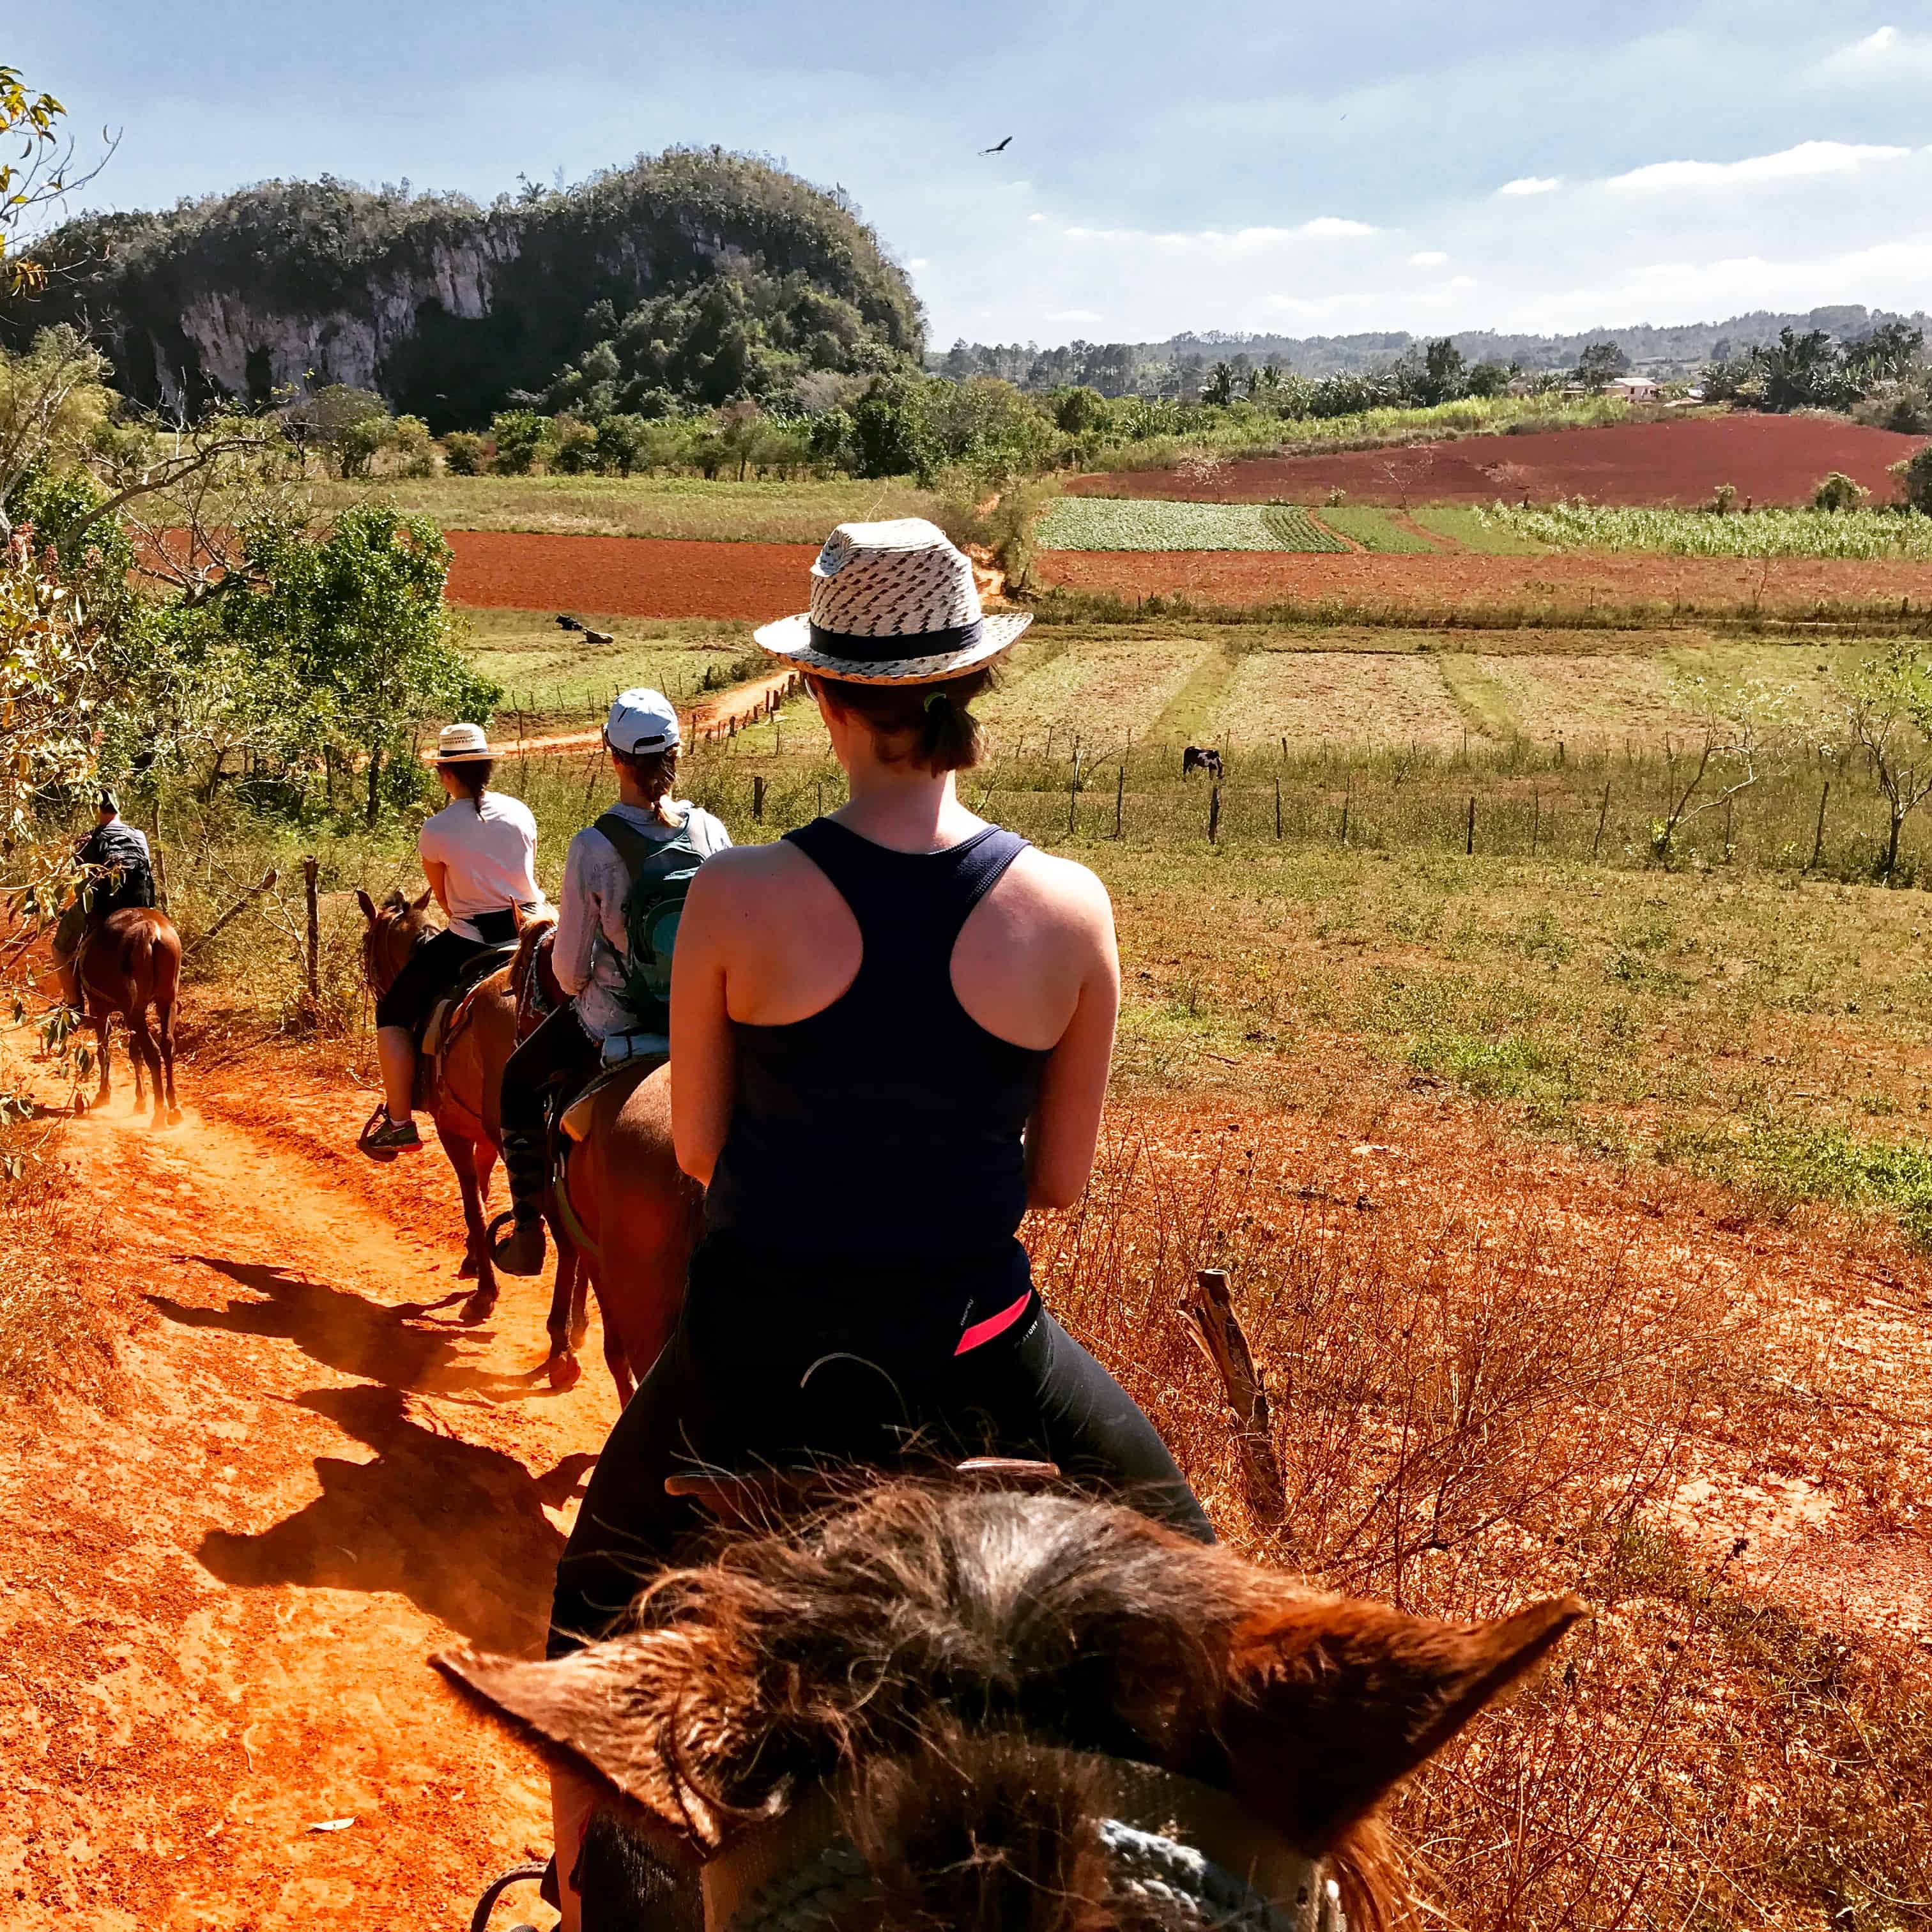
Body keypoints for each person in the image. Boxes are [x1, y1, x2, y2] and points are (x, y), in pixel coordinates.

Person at [544, 519, 1209, 1926]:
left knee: (584, 1618)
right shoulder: (1070, 909)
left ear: (827, 698)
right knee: (1214, 1607)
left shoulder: (739, 894)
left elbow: (708, 1150)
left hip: (753, 1360)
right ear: (968, 693)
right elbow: (1060, 1184)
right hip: (981, 1352)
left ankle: (571, 1880)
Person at [488, 687, 730, 1276]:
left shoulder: (592, 847)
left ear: (612, 756)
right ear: (676, 753)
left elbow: (570, 976)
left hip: (615, 1028)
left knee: (518, 1080)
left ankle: (526, 1233)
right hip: (703, 1027)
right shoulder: (711, 833)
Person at [362, 723, 543, 1158]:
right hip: (533, 928)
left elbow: (442, 898)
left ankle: (400, 1121)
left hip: (472, 938)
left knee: (392, 1012)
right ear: (487, 769)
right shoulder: (520, 812)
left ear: (446, 774)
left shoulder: (437, 829)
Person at [52, 792, 155, 1009]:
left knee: (60, 947)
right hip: (140, 904)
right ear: (119, 807)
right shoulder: (139, 836)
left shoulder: (86, 839)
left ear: (96, 809)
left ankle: (73, 1003)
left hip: (102, 908)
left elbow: (77, 881)